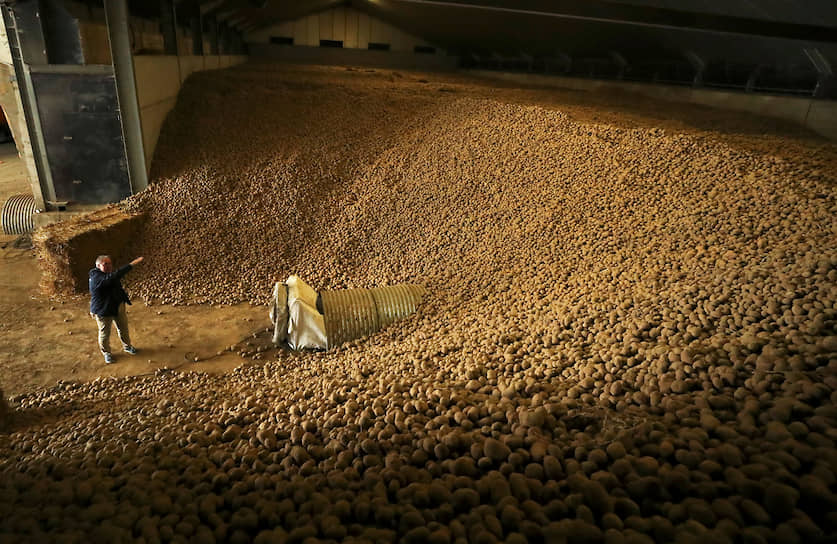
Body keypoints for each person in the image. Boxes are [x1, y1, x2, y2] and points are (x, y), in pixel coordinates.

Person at [89, 255, 144, 364]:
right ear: (98, 265)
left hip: (117, 306)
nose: (109, 266)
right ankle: (106, 353)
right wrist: (131, 264)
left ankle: (127, 346)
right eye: (106, 264)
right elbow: (112, 278)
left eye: (110, 263)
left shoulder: (108, 274)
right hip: (103, 310)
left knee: (123, 328)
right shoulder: (96, 277)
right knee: (104, 333)